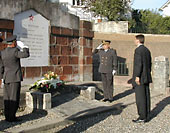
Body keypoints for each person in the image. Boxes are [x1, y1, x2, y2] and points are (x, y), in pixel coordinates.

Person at [0, 35, 30, 122]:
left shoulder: (2, 52)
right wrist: (24, 47)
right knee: (14, 97)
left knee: (7, 98)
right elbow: (25, 54)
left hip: (6, 78)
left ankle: (7, 116)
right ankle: (12, 117)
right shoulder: (14, 51)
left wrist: (1, 77)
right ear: (13, 43)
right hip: (15, 78)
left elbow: (1, 66)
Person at [132, 34, 152, 123]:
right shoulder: (147, 50)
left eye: (135, 39)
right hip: (146, 76)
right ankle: (147, 114)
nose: (134, 41)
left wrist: (137, 76)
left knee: (140, 98)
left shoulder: (138, 50)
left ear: (138, 40)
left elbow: (138, 64)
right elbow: (149, 64)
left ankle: (142, 116)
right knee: (146, 96)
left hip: (140, 77)